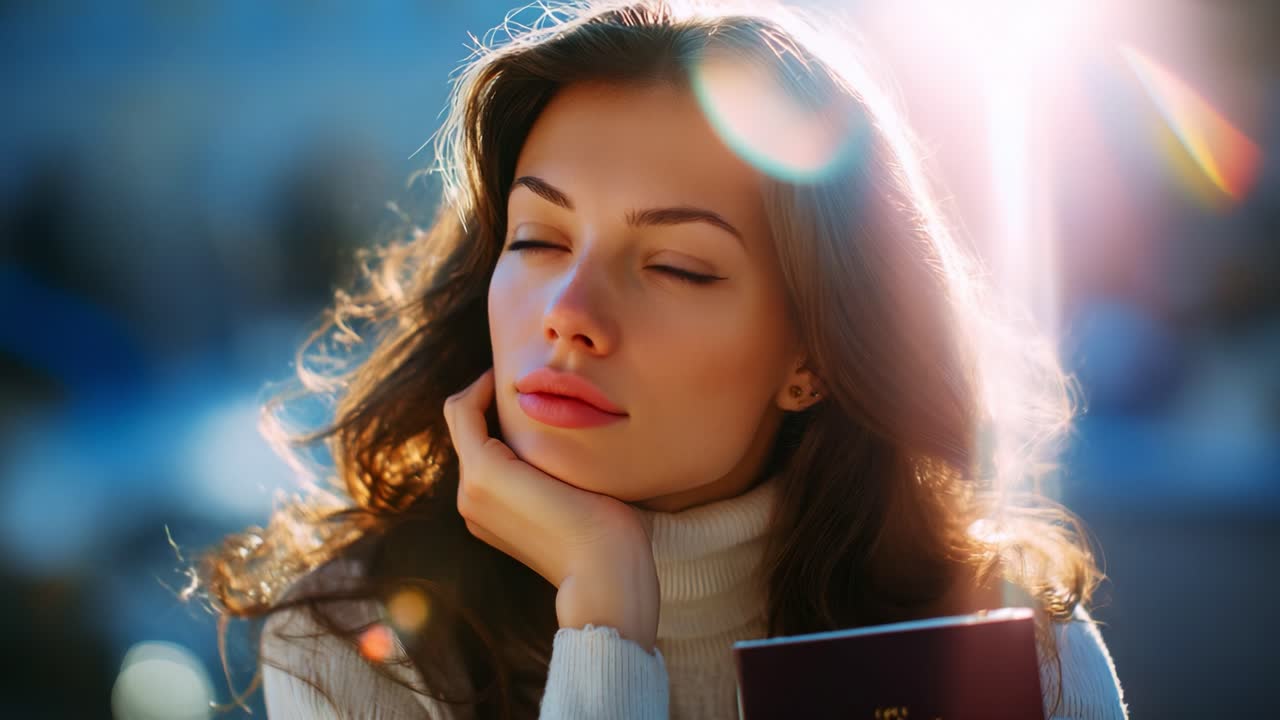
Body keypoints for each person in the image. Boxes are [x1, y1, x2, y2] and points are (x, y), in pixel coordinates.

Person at [194, 1, 1128, 718]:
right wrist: (604, 611)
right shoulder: (357, 642)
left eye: (676, 266)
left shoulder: (1008, 644)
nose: (569, 316)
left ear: (814, 354)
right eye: (539, 241)